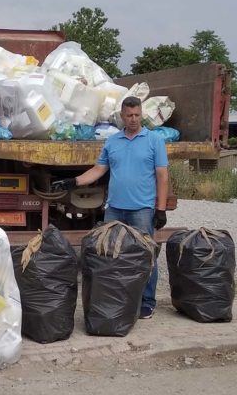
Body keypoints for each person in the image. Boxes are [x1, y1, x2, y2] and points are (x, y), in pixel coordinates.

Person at [52, 96, 169, 319]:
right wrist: (73, 182)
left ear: (141, 114)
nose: (133, 119)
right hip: (114, 209)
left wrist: (160, 209)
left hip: (142, 210)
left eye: (137, 115)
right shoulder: (113, 142)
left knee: (145, 256)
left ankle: (147, 301)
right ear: (122, 117)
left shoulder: (154, 141)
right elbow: (98, 170)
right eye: (129, 115)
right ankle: (118, 297)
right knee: (109, 254)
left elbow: (162, 177)